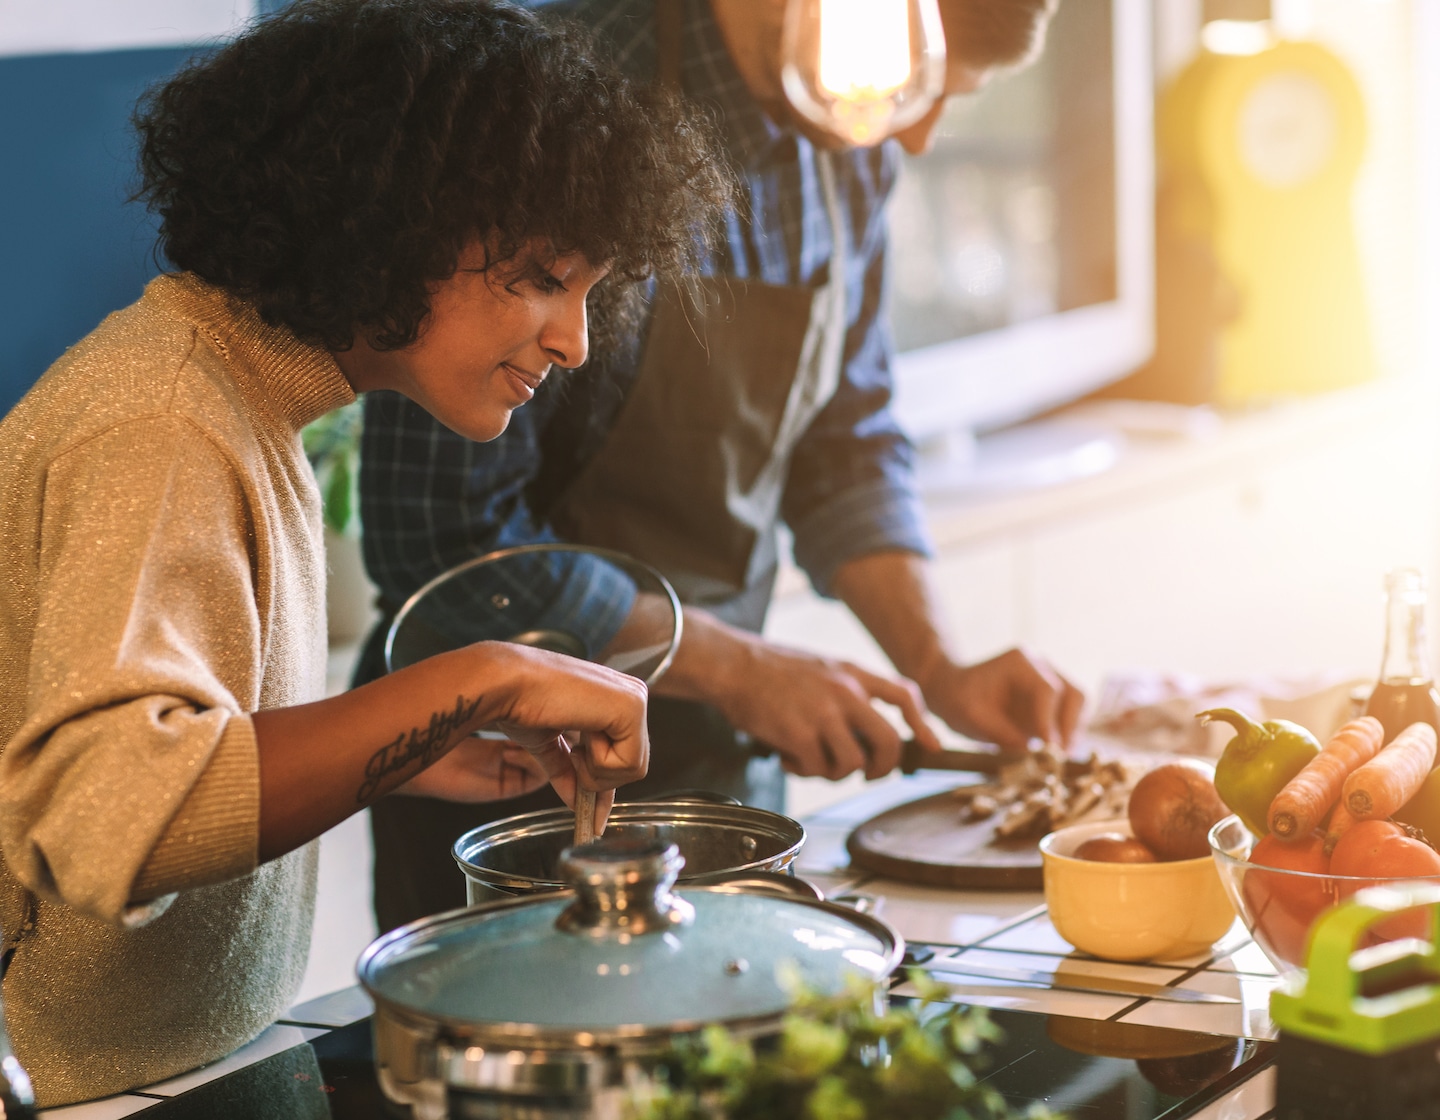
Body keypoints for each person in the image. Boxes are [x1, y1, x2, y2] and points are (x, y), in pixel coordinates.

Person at [0, 0, 729, 1105]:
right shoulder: (161, 420)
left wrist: (402, 746)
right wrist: (487, 671)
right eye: (538, 276)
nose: (575, 339)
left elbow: (198, 739)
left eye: (589, 291)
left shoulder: (248, 401)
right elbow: (110, 813)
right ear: (390, 219)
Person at [356, 0, 1086, 935]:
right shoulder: (549, 98)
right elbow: (448, 550)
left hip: (720, 777)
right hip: (511, 799)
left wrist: (939, 665)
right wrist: (738, 669)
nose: (921, 132)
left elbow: (845, 441)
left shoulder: (851, 137)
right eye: (922, 79)